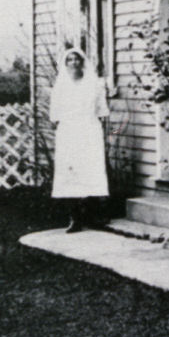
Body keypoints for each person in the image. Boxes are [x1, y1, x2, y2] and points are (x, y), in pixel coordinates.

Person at [50, 48, 110, 232]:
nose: (74, 62)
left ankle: (91, 216)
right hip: (69, 131)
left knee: (91, 169)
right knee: (70, 170)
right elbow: (55, 114)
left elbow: (102, 111)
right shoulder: (61, 86)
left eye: (77, 59)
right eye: (70, 59)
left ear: (82, 61)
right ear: (65, 63)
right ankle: (75, 218)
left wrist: (107, 133)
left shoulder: (93, 84)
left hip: (90, 130)